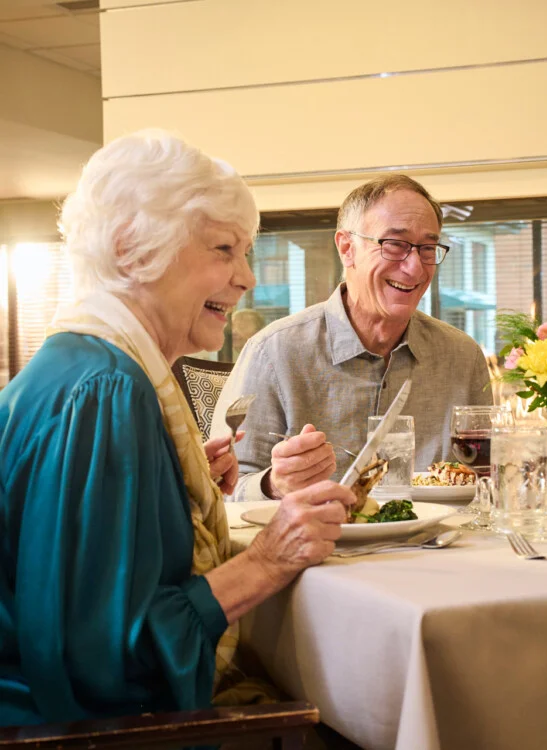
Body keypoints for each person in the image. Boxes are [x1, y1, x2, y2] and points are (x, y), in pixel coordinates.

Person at [0, 130, 355, 729]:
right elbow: (105, 663)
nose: (246, 278)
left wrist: (177, 497)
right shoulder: (107, 392)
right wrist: (267, 559)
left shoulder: (79, 365)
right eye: (223, 249)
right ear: (133, 250)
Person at [212, 174, 492, 502]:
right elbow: (219, 490)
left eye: (427, 248)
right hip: (319, 550)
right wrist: (274, 484)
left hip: (438, 548)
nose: (415, 268)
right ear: (347, 248)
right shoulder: (273, 352)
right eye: (395, 245)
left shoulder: (463, 356)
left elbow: (488, 481)